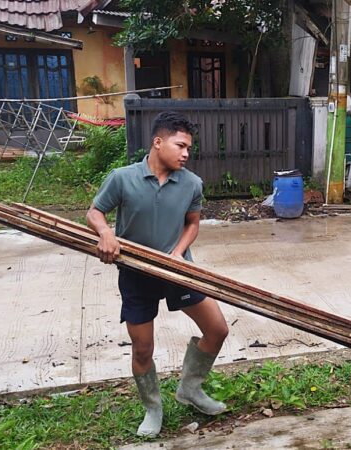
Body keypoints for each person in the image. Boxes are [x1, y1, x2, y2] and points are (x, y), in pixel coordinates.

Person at [86, 111, 229, 438]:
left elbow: (192, 223)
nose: (186, 153)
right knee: (142, 349)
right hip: (136, 271)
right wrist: (105, 232)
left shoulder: (192, 183)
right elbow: (95, 211)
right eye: (180, 145)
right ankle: (153, 407)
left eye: (189, 148)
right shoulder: (122, 178)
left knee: (217, 329)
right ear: (158, 142)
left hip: (177, 270)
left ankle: (190, 389)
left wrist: (178, 253)